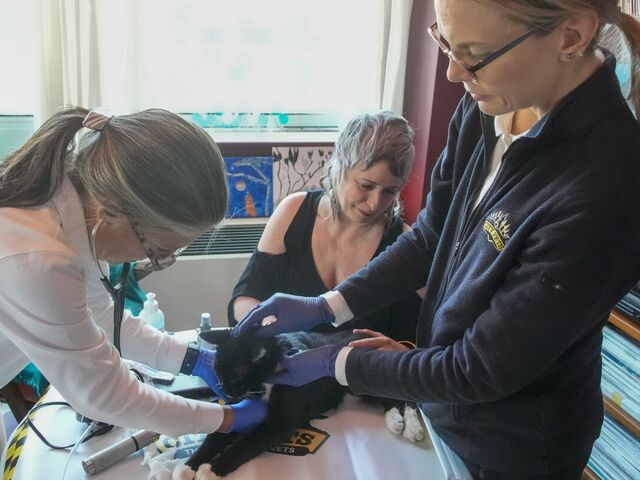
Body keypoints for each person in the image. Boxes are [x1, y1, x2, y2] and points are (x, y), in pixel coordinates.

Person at [233, 1, 640, 478]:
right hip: (443, 407)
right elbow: (430, 237)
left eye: (474, 53)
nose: (452, 72)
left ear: (571, 37)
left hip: (513, 445)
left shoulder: (606, 186)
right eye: (446, 44)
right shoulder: (490, 103)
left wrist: (338, 362)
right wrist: (330, 305)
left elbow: (477, 369)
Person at [0, 108, 266, 440]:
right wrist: (225, 419)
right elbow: (103, 394)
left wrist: (192, 359)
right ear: (111, 211)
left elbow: (100, 315)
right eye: (157, 250)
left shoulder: (78, 212)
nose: (151, 260)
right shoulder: (39, 259)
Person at [229, 111, 422, 345]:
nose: (374, 203)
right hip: (286, 361)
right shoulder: (293, 212)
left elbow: (431, 335)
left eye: (390, 192)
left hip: (361, 369)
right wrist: (277, 334)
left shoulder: (406, 245)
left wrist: (401, 350)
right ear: (339, 165)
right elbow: (245, 298)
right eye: (365, 185)